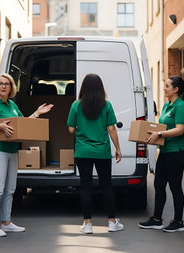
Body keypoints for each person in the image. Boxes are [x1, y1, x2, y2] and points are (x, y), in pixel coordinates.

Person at [0, 73, 53, 237]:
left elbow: (23, 123)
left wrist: (36, 113)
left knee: (10, 189)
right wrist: (0, 127)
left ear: (12, 87)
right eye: (0, 83)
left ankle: (6, 222)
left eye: (7, 84)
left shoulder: (12, 104)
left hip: (12, 151)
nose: (4, 86)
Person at [67, 73, 124, 234]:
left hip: (82, 151)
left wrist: (81, 126)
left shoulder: (76, 105)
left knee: (86, 187)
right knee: (106, 186)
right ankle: (112, 222)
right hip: (102, 152)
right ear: (100, 88)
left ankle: (88, 224)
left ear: (83, 87)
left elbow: (71, 129)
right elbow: (112, 129)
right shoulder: (106, 105)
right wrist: (118, 149)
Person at [138, 76, 184, 233]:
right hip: (165, 152)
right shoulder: (167, 106)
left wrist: (159, 134)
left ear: (175, 89)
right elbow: (161, 126)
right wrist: (151, 135)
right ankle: (156, 220)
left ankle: (179, 222)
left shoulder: (180, 106)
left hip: (177, 152)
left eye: (167, 85)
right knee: (158, 185)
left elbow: (179, 129)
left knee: (175, 187)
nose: (164, 88)